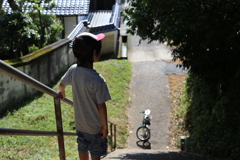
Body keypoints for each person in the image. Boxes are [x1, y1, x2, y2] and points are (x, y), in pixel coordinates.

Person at [58, 32, 111, 160]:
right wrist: (105, 126)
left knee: (82, 151)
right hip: (95, 129)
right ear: (94, 54)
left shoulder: (73, 70)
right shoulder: (98, 80)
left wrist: (62, 91)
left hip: (80, 126)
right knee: (96, 156)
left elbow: (62, 84)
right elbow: (101, 106)